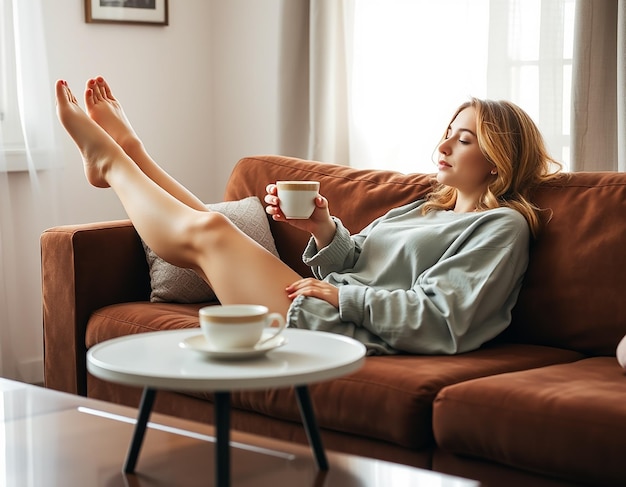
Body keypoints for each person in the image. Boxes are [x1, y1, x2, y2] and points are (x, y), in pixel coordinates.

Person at [55, 77, 561, 355]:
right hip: (324, 303)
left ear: (498, 160)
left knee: (209, 232)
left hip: (340, 326)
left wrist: (342, 295)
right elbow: (361, 256)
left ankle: (112, 167)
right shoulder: (427, 205)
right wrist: (324, 228)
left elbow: (442, 319)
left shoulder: (501, 226)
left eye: (465, 139)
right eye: (449, 130)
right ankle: (133, 155)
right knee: (220, 227)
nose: (444, 144)